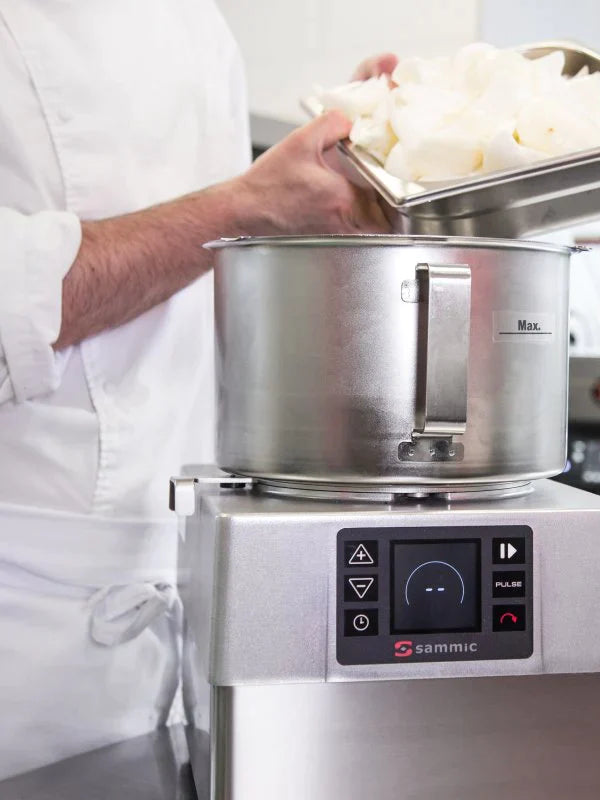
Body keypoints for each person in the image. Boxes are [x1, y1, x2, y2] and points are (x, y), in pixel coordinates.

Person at [0, 0, 396, 778]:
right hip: (26, 640)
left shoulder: (198, 25)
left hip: (178, 603)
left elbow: (190, 286)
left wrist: (339, 173)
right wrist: (245, 205)